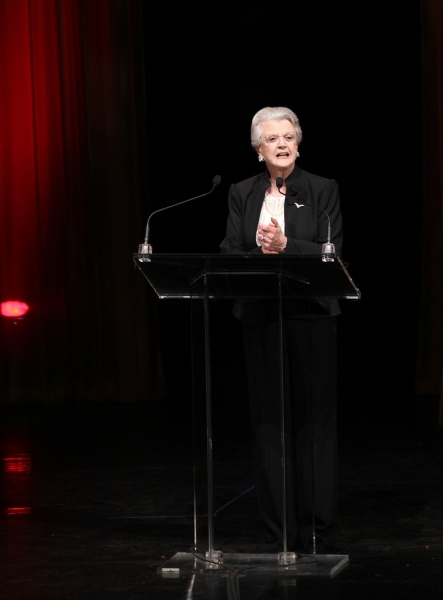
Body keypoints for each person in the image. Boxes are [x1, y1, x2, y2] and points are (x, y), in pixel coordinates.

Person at [220, 106, 343, 554]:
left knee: (315, 425)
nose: (283, 144)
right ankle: (280, 534)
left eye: (289, 136)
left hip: (311, 316)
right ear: (258, 149)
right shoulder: (241, 193)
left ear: (298, 142)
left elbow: (332, 251)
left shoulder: (322, 189)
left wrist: (289, 246)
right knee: (270, 425)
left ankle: (318, 531)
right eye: (273, 139)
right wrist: (260, 251)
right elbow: (230, 252)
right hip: (261, 317)